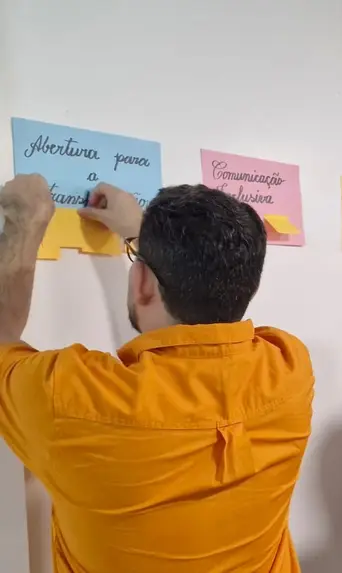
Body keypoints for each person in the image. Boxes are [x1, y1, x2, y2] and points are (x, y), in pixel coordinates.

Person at [0, 174, 314, 573]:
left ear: (143, 283)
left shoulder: (69, 399)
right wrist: (145, 241)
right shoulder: (290, 368)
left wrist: (27, 221)